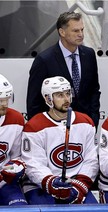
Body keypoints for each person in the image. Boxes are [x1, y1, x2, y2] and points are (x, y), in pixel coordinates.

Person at [21, 76, 99, 204]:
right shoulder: (34, 126)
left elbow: (91, 160)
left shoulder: (86, 122)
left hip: (75, 184)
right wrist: (51, 183)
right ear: (48, 99)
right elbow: (34, 164)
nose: (66, 99)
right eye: (60, 95)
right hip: (41, 186)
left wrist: (79, 186)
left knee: (93, 211)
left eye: (68, 93)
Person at [26, 11, 101, 129]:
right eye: (75, 31)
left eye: (82, 29)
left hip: (84, 126)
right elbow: (34, 101)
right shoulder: (44, 60)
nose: (81, 34)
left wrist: (93, 121)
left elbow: (94, 90)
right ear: (62, 32)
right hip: (54, 128)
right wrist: (39, 130)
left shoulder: (89, 54)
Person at [0, 74, 28, 205]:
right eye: (0, 100)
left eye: (7, 99)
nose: (5, 104)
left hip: (4, 182)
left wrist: (15, 167)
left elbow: (18, 155)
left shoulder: (16, 119)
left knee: (20, 209)